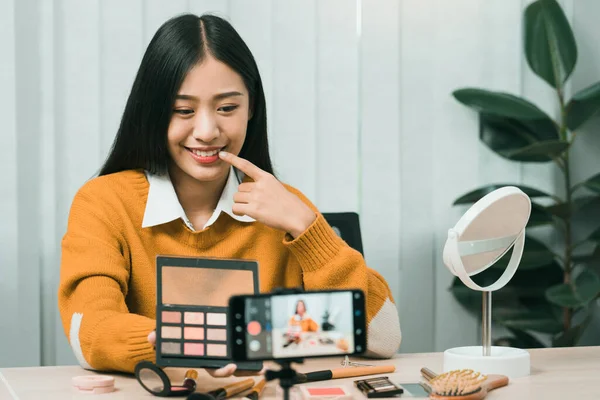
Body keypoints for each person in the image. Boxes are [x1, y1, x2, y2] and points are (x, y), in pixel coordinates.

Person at [58, 13, 401, 375]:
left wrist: (307, 228)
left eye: (227, 108)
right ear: (154, 112)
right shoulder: (103, 202)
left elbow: (384, 336)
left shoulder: (284, 206)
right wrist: (188, 345)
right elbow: (89, 331)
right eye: (183, 110)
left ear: (251, 107)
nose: (206, 130)